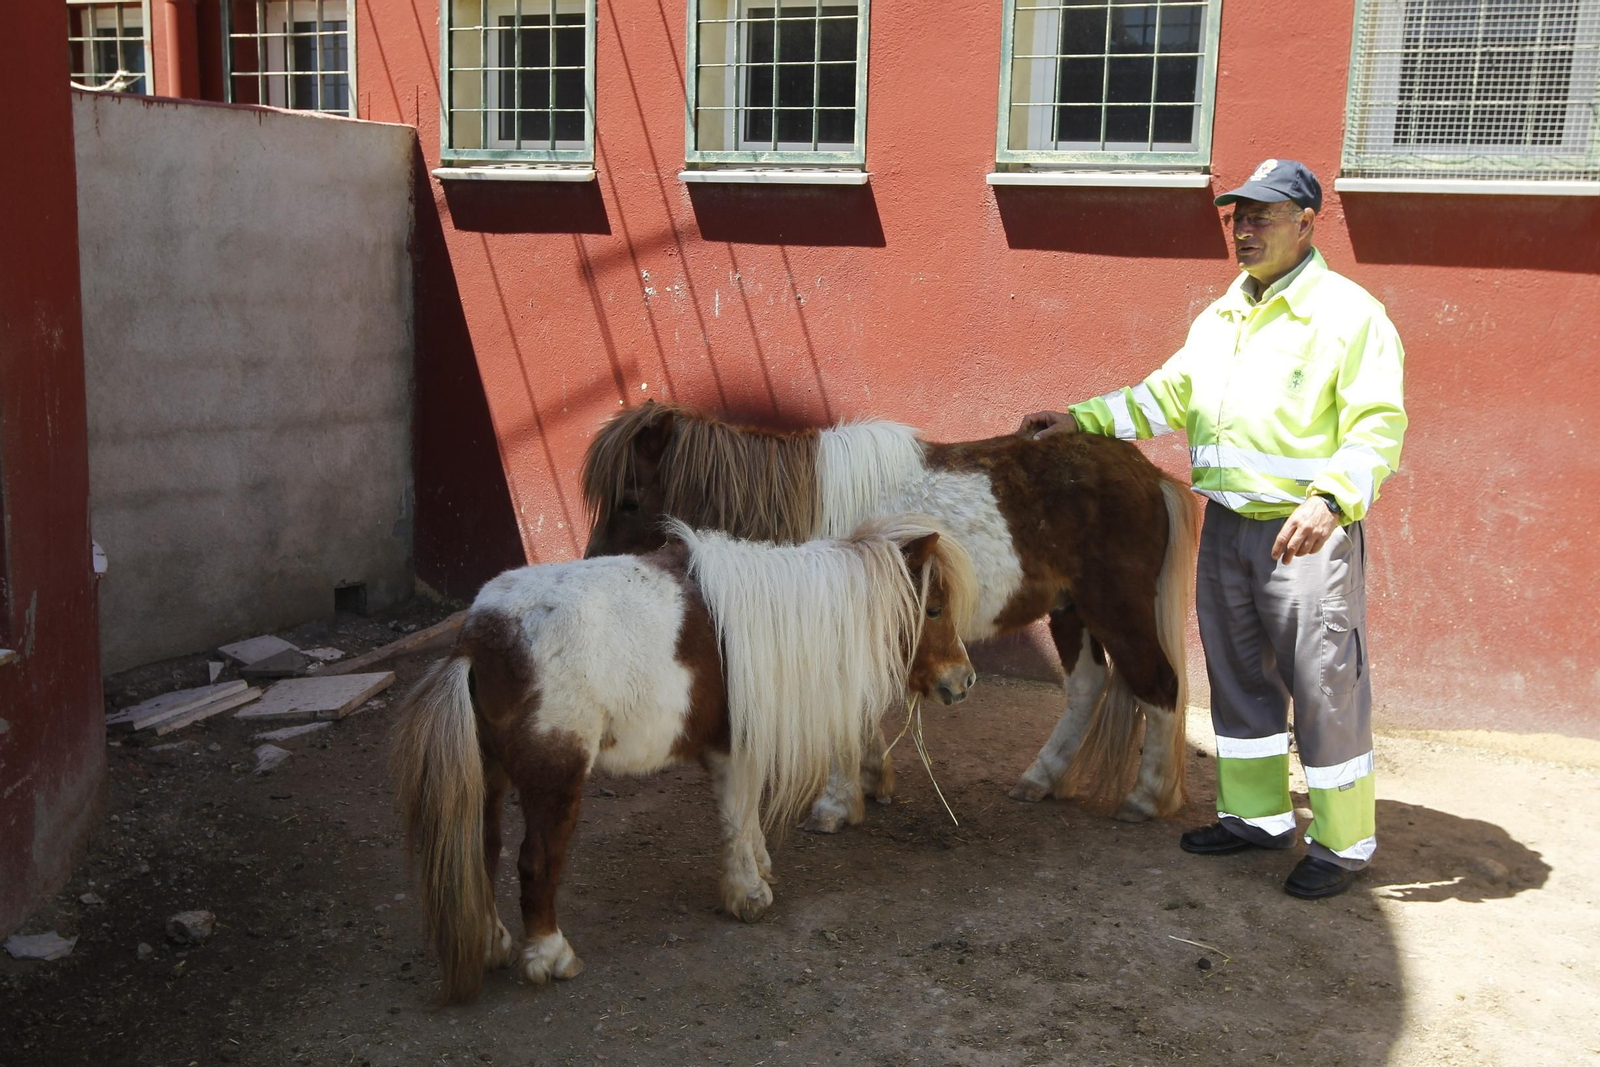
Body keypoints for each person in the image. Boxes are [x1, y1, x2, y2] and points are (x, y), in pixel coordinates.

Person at [1018, 159, 1407, 899]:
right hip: (1229, 527)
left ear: (1306, 223)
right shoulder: (1222, 316)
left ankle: (1343, 842)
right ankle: (1256, 818)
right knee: (1238, 681)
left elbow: (1377, 428)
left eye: (1264, 215)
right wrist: (1083, 418)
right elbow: (1167, 394)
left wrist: (1331, 498)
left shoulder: (1350, 317)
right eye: (1239, 216)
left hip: (1307, 534)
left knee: (1324, 687)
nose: (1246, 229)